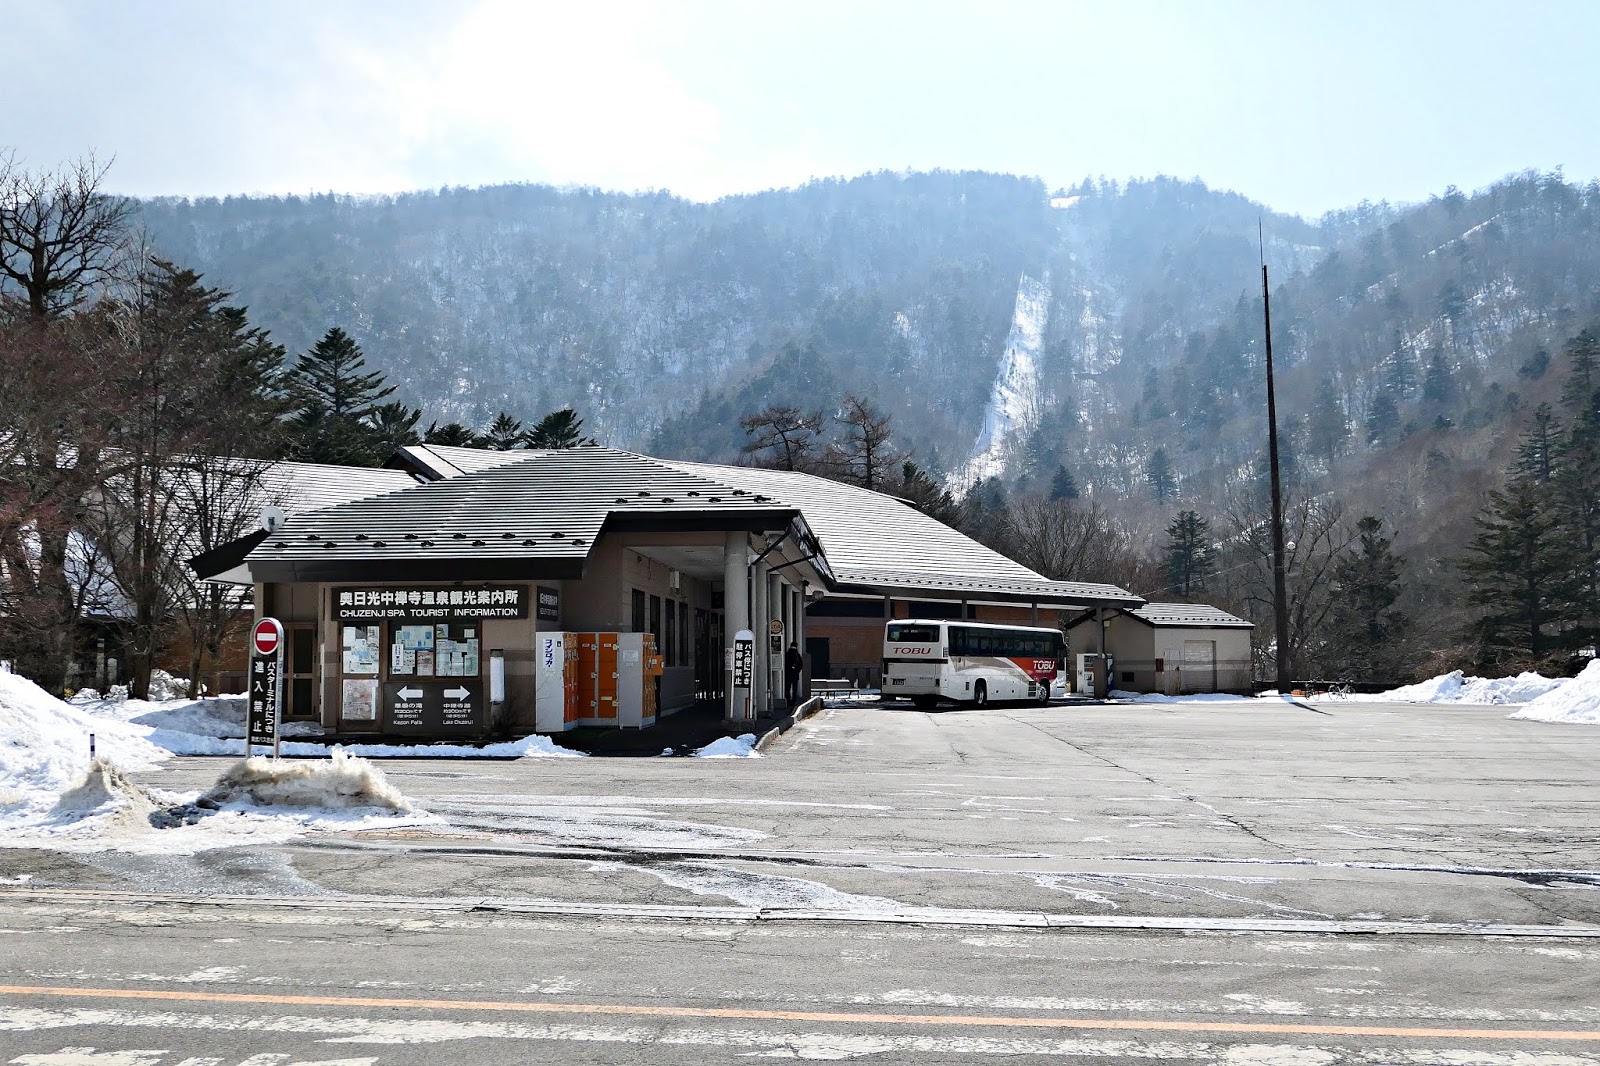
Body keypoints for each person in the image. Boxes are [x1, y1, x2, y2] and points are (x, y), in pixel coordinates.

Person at [784, 641, 805, 707]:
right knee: (794, 688)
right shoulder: (797, 655)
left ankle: (787, 700)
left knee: (787, 687)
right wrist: (797, 671)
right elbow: (801, 664)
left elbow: (785, 663)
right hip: (795, 674)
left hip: (788, 674)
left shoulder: (787, 654)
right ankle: (794, 701)